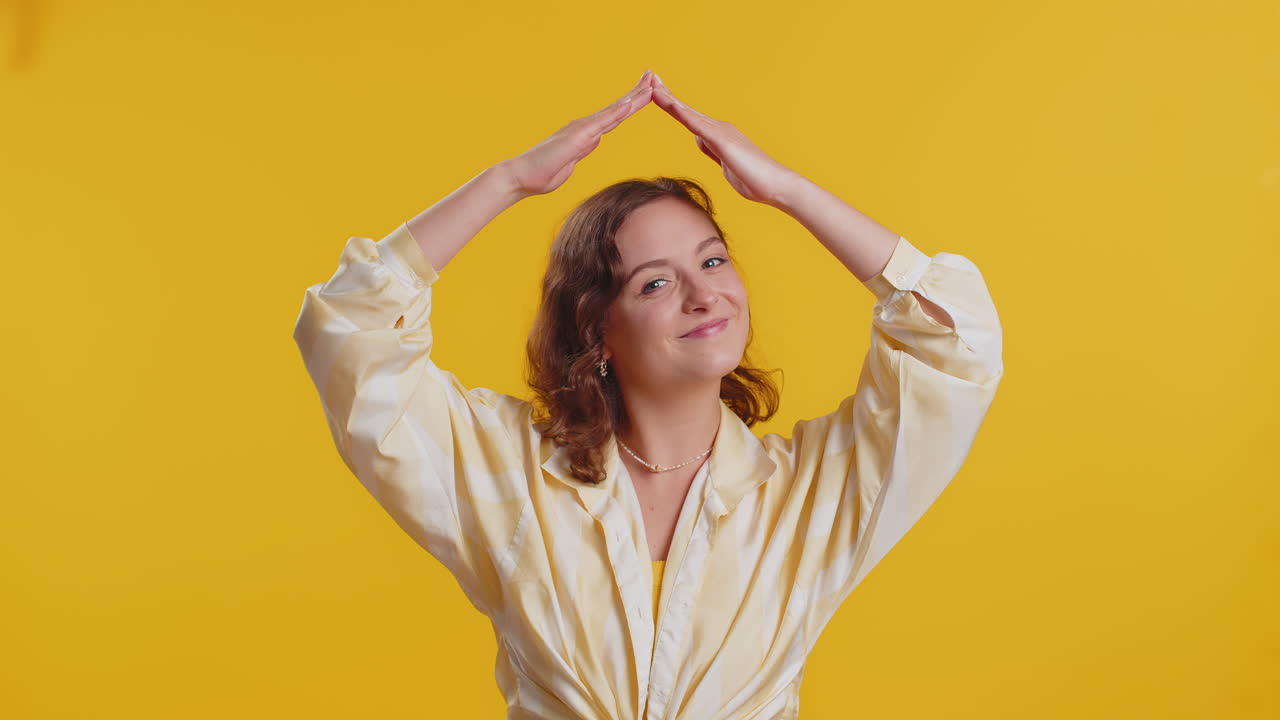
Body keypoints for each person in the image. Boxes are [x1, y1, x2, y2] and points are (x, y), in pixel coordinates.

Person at [293, 68, 1003, 720]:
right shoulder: (504, 476)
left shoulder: (810, 495)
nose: (705, 295)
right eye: (656, 282)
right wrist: (506, 182)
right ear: (597, 330)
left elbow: (954, 341)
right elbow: (350, 333)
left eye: (714, 259)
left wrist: (789, 192)